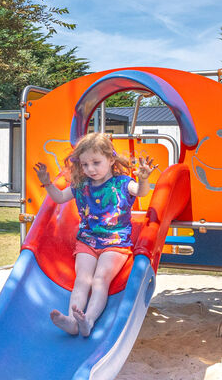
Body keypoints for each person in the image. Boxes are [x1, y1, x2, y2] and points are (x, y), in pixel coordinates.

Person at [34, 132, 156, 338]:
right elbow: (60, 197)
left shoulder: (122, 183)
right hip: (87, 241)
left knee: (100, 279)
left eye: (96, 163)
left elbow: (141, 192)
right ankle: (72, 321)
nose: (90, 169)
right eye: (85, 164)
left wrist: (143, 179)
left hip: (115, 243)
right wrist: (47, 183)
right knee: (82, 279)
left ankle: (88, 320)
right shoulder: (82, 186)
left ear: (111, 159)